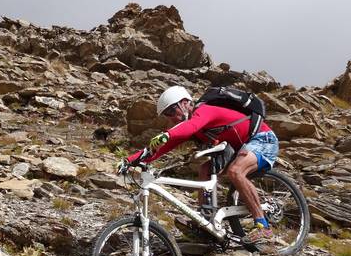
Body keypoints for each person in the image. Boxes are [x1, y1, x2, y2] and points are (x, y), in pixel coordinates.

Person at [119, 85, 279, 244]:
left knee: (236, 171)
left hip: (262, 138)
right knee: (205, 170)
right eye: (167, 115)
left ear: (184, 103)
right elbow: (161, 148)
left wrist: (167, 134)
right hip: (240, 148)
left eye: (171, 112)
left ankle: (263, 227)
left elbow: (190, 127)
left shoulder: (204, 110)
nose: (171, 118)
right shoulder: (193, 126)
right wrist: (130, 160)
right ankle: (206, 222)